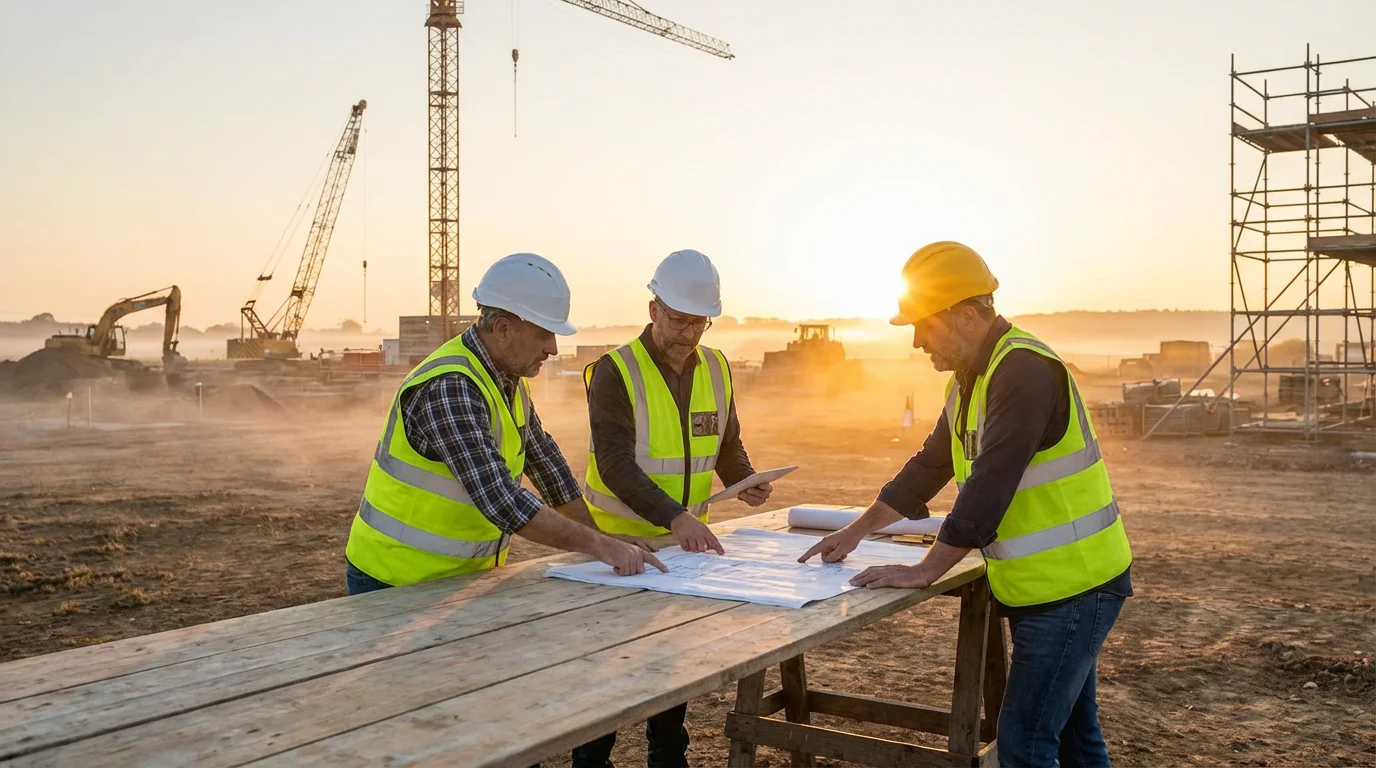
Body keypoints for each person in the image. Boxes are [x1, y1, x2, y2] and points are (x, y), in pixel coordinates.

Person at [800, 241, 1133, 768]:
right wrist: (858, 530)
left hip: (1074, 588)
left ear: (965, 315)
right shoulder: (970, 380)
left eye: (923, 325)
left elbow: (990, 484)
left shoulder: (1022, 371)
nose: (915, 342)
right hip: (1048, 587)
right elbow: (929, 466)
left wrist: (926, 569)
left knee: (1024, 746)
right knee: (1072, 736)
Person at [344, 252, 665, 596]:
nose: (553, 349)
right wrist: (600, 547)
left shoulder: (508, 378)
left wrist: (599, 536)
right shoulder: (452, 386)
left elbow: (546, 464)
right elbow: (500, 499)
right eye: (543, 334)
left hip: (456, 579)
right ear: (502, 329)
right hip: (394, 578)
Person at [574, 249, 772, 768]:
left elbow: (726, 444)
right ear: (654, 308)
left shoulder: (716, 367)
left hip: (684, 552)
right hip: (616, 552)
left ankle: (668, 758)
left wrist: (744, 479)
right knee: (605, 679)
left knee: (668, 668)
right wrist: (676, 516)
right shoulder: (615, 372)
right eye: (680, 320)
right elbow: (615, 464)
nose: (689, 334)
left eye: (700, 323)